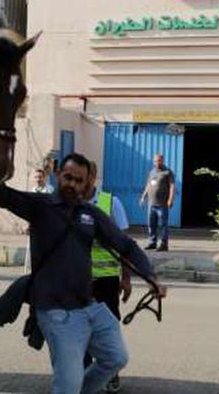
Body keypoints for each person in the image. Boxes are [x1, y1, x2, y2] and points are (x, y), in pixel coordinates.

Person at [0, 153, 165, 394]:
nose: (72, 184)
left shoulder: (90, 214)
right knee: (68, 384)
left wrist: (150, 278)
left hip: (89, 305)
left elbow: (127, 245)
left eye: (78, 180)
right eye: (68, 177)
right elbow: (2, 196)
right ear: (59, 175)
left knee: (116, 358)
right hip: (56, 311)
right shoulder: (40, 206)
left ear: (86, 183)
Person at [85, 162, 131, 393]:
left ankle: (111, 374)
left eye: (87, 176)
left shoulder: (111, 202)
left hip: (106, 279)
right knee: (78, 329)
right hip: (76, 281)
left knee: (108, 328)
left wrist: (127, 278)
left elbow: (125, 244)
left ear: (94, 176)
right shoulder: (67, 202)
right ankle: (81, 375)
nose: (83, 181)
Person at [140, 154, 175, 252]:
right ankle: (152, 243)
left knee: (163, 225)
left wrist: (170, 199)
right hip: (151, 204)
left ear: (162, 160)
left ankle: (164, 245)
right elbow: (148, 185)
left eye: (159, 160)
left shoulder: (168, 172)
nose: (157, 163)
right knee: (151, 224)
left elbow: (172, 186)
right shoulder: (152, 172)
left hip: (162, 204)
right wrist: (143, 197)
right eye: (155, 161)